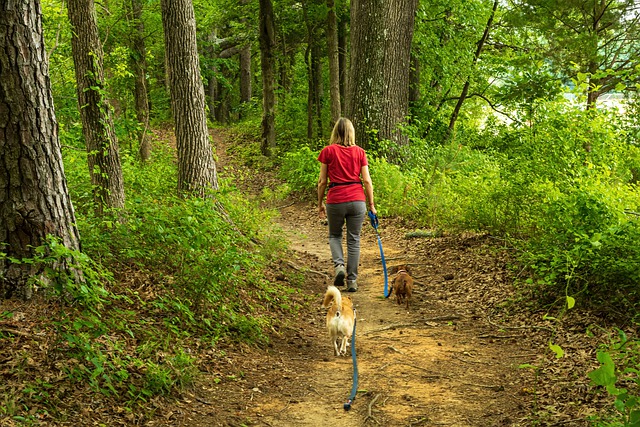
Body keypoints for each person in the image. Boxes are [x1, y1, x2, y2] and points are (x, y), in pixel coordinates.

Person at [317, 117, 376, 292]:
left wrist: (319, 203)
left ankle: (339, 267)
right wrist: (371, 204)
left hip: (335, 199)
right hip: (357, 200)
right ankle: (352, 281)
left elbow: (322, 181)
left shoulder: (327, 151)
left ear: (335, 132)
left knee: (335, 236)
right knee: (354, 240)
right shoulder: (360, 152)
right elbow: (367, 180)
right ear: (351, 132)